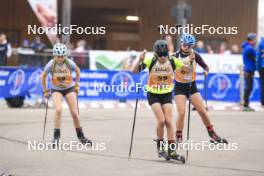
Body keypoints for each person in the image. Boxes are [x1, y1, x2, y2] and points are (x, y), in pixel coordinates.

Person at [131, 40, 187, 162]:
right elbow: (134, 71)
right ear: (156, 54)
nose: (162, 57)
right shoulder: (150, 60)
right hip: (153, 94)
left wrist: (192, 63)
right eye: (160, 55)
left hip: (167, 94)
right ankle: (160, 147)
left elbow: (186, 70)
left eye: (164, 55)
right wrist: (139, 59)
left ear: (168, 53)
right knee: (161, 121)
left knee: (169, 121)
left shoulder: (172, 61)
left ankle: (172, 151)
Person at [173, 33, 227, 144]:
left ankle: (212, 134)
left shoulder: (195, 55)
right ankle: (178, 135)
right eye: (184, 44)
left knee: (202, 111)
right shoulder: (175, 56)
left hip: (192, 86)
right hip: (179, 87)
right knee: (182, 112)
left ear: (192, 46)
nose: (186, 47)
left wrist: (206, 71)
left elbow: (205, 66)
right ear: (181, 43)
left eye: (189, 45)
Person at [41, 43, 92, 147]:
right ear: (54, 56)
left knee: (74, 113)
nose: (60, 58)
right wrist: (45, 90)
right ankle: (56, 137)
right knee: (58, 110)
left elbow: (78, 71)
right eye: (58, 56)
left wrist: (77, 85)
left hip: (69, 88)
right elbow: (43, 76)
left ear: (65, 55)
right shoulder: (51, 64)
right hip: (56, 89)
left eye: (62, 56)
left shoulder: (69, 63)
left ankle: (81, 136)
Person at [241, 33, 257, 111]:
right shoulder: (250, 49)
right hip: (249, 70)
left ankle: (246, 104)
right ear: (251, 40)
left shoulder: (246, 47)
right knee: (249, 88)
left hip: (247, 70)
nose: (255, 41)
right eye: (254, 39)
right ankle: (246, 104)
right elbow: (256, 58)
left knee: (248, 87)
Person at [256, 37, 264, 108]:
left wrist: (258, 68)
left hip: (262, 67)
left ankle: (263, 102)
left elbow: (258, 57)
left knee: (263, 85)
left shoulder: (261, 43)